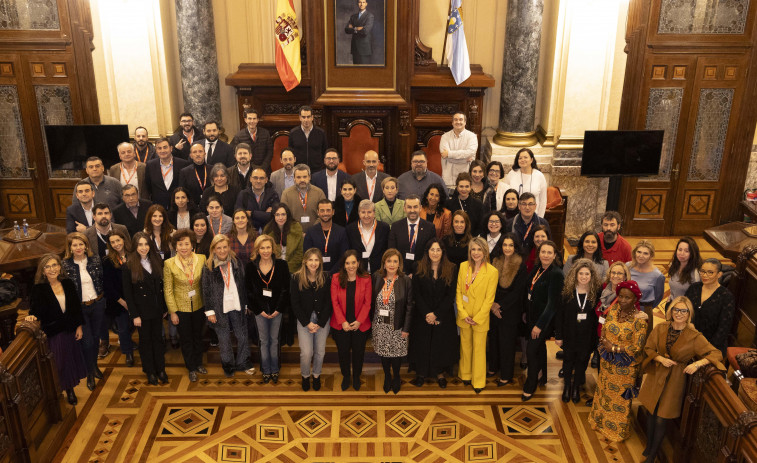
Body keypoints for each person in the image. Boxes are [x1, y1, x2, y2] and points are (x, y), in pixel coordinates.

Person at [638, 296, 724, 462]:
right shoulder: (661, 327)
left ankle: (653, 454)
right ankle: (649, 447)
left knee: (662, 417)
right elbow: (648, 348)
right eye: (676, 310)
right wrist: (659, 358)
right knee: (651, 411)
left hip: (675, 380)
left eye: (683, 311)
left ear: (689, 314)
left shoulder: (694, 336)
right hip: (657, 374)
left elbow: (716, 353)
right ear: (671, 311)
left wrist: (699, 363)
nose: (679, 313)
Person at [590, 280, 649, 442]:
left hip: (625, 367)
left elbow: (637, 347)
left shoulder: (639, 321)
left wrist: (614, 348)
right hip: (607, 362)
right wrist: (604, 342)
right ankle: (599, 423)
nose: (623, 300)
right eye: (621, 296)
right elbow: (605, 327)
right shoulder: (614, 309)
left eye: (627, 298)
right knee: (603, 392)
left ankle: (616, 431)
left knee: (619, 399)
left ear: (635, 300)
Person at [27, 254, 87, 405]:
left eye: (54, 265)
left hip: (70, 329)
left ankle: (70, 390)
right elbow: (35, 310)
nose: (52, 269)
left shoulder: (67, 283)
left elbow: (75, 307)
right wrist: (31, 316)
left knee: (70, 360)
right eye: (47, 266)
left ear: (60, 267)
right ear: (42, 271)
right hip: (54, 333)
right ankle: (59, 390)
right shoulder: (38, 289)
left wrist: (79, 326)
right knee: (58, 363)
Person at [202, 234, 255, 377]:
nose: (222, 250)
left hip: (237, 304)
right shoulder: (208, 266)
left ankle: (243, 361)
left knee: (242, 335)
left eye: (225, 247)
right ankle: (228, 365)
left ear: (229, 247)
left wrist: (245, 305)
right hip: (219, 307)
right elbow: (206, 290)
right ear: (213, 249)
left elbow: (243, 285)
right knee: (224, 339)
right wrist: (210, 311)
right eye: (218, 248)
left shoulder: (236, 262)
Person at [409, 239, 459, 388]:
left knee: (440, 343)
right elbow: (416, 294)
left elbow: (451, 295)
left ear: (443, 252)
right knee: (422, 343)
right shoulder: (418, 266)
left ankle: (440, 373)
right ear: (427, 251)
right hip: (422, 314)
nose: (435, 253)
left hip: (443, 314)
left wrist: (436, 314)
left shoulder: (452, 268)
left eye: (438, 250)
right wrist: (427, 313)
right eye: (432, 250)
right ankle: (421, 373)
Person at [122, 232, 168, 385]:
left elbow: (161, 287)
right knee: (145, 342)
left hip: (157, 309)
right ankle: (149, 371)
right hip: (141, 312)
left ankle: (161, 368)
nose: (143, 248)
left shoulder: (156, 261)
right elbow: (128, 294)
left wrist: (164, 308)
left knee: (158, 340)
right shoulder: (128, 265)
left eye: (146, 244)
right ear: (135, 246)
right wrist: (134, 315)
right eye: (140, 244)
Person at [60, 232, 104, 391]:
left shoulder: (95, 260)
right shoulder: (65, 265)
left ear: (86, 245)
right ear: (70, 248)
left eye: (81, 244)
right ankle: (90, 373)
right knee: (87, 342)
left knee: (96, 338)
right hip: (80, 308)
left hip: (98, 303)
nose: (78, 248)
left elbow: (101, 279)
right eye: (75, 245)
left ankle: (95, 366)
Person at [521, 240, 564, 401]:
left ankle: (530, 384)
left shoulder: (556, 274)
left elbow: (552, 304)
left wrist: (539, 325)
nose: (545, 255)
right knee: (538, 348)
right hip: (532, 316)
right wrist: (526, 312)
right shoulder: (537, 269)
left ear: (554, 255)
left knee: (531, 351)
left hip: (544, 321)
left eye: (549, 252)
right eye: (543, 252)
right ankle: (542, 375)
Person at [246, 235, 291, 384]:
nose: (265, 251)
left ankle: (275, 369)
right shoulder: (251, 267)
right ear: (257, 250)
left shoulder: (282, 265)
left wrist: (279, 309)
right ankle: (265, 370)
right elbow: (249, 292)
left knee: (274, 341)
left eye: (268, 247)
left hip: (277, 310)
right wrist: (259, 310)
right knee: (264, 341)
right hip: (260, 311)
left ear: (273, 249)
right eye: (262, 248)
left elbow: (286, 290)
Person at [555, 258, 601, 403]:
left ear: (591, 276)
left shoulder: (596, 294)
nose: (583, 277)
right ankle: (567, 387)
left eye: (587, 274)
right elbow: (559, 316)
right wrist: (558, 335)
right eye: (581, 273)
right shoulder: (567, 292)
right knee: (568, 361)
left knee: (582, 361)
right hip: (569, 334)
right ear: (575, 274)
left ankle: (576, 388)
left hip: (587, 336)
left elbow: (597, 319)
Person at [456, 237, 498, 393]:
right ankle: (465, 374)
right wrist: (463, 313)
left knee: (479, 349)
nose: (476, 253)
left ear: (485, 251)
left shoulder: (492, 272)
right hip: (464, 315)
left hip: (480, 318)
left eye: (479, 249)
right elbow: (459, 292)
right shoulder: (462, 267)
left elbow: (489, 299)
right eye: (473, 249)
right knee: (465, 347)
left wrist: (478, 318)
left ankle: (478, 381)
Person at [164, 229, 207, 381]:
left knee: (198, 336)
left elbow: (206, 284)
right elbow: (168, 290)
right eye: (180, 244)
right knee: (186, 339)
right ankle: (191, 367)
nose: (183, 247)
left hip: (199, 305)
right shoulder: (169, 264)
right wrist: (173, 312)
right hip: (181, 308)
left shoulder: (201, 259)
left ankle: (199, 363)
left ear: (192, 245)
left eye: (186, 244)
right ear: (175, 247)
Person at [488, 233, 528, 385]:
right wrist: (493, 304)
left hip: (510, 309)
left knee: (507, 343)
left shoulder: (521, 265)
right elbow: (489, 284)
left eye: (511, 245)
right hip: (493, 307)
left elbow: (518, 291)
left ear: (515, 247)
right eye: (505, 245)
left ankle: (506, 375)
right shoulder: (494, 260)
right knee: (494, 340)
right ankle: (493, 368)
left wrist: (500, 305)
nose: (507, 248)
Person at [371, 249, 413, 394]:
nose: (392, 264)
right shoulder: (376, 277)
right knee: (384, 353)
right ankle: (387, 376)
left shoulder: (405, 280)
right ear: (384, 263)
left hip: (398, 325)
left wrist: (406, 328)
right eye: (389, 261)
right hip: (380, 324)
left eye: (395, 261)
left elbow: (409, 306)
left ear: (399, 264)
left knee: (396, 354)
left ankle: (396, 376)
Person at [290, 248, 332, 391]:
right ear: (305, 261)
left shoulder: (326, 277)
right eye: (310, 260)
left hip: (322, 321)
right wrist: (307, 323)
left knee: (320, 351)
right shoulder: (296, 278)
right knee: (306, 353)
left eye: (316, 260)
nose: (313, 263)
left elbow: (329, 302)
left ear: (320, 262)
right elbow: (295, 303)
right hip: (304, 320)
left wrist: (320, 323)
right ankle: (305, 376)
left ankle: (316, 375)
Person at [330, 250, 372, 391]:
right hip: (341, 324)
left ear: (358, 263)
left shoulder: (366, 278)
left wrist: (359, 321)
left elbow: (368, 303)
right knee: (343, 352)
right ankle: (346, 376)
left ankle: (356, 377)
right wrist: (343, 322)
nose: (351, 266)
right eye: (347, 263)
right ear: (344, 265)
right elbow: (334, 302)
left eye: (353, 262)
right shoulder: (336, 278)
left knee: (359, 353)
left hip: (360, 324)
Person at [685, 258, 735, 358]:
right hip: (688, 338)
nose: (704, 275)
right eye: (702, 271)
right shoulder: (694, 288)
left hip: (712, 345)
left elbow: (724, 328)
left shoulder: (726, 296)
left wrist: (706, 347)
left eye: (710, 272)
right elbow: (684, 310)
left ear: (719, 274)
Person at [102, 230, 135, 367]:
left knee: (133, 325)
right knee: (122, 328)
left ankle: (133, 344)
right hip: (118, 301)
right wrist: (122, 302)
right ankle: (128, 353)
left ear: (124, 240)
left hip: (135, 298)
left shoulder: (134, 256)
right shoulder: (108, 261)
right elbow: (108, 285)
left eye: (118, 241)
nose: (116, 244)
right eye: (112, 242)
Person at [388, 194, 436, 275]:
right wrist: (401, 271)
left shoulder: (429, 227)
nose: (412, 210)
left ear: (420, 208)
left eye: (415, 207)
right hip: (400, 272)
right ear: (404, 208)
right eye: (409, 207)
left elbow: (430, 252)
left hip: (422, 272)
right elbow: (392, 251)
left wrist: (418, 271)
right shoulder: (396, 226)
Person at [628, 240, 665, 337]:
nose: (641, 256)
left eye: (645, 253)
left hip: (644, 309)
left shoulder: (657, 275)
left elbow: (658, 297)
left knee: (643, 339)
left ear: (651, 256)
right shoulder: (628, 267)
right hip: (626, 307)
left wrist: (647, 308)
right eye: (639, 252)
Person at [304, 199, 349, 274]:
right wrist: (318, 272)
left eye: (328, 210)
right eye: (322, 210)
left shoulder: (342, 232)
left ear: (333, 212)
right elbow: (307, 255)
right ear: (318, 212)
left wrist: (331, 273)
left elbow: (343, 256)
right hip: (315, 274)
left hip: (337, 274)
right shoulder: (310, 232)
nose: (325, 213)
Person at [144, 138, 190, 210]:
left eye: (165, 147)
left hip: (178, 206)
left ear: (171, 148)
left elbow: (186, 186)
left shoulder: (183, 164)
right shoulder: (150, 165)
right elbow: (148, 186)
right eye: (159, 148)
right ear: (156, 151)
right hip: (158, 207)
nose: (162, 151)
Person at [346, 199, 390, 273]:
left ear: (374, 213)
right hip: (358, 272)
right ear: (359, 213)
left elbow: (387, 249)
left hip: (379, 272)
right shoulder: (350, 229)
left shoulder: (384, 228)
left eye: (369, 212)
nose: (366, 215)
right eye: (363, 212)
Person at [280, 164, 327, 233]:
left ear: (309, 177)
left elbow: (324, 214)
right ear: (294, 178)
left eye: (305, 177)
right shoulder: (286, 194)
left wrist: (312, 231)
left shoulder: (319, 192)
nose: (302, 180)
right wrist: (297, 231)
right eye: (298, 177)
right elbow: (284, 216)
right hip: (293, 233)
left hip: (316, 233)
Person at [503, 148, 548, 217]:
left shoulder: (539, 176)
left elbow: (543, 200)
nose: (522, 160)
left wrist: (540, 218)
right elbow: (506, 195)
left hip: (533, 216)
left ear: (531, 160)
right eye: (520, 158)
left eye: (525, 157)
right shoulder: (512, 174)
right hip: (514, 215)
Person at [235, 166, 279, 233]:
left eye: (261, 178)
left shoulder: (273, 194)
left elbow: (275, 216)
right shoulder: (243, 194)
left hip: (269, 232)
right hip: (249, 232)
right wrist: (264, 214)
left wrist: (252, 214)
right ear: (250, 179)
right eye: (255, 178)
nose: (258, 181)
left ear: (266, 180)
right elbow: (238, 215)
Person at [506, 192, 550, 259]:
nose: (527, 207)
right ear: (519, 206)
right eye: (524, 204)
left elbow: (549, 246)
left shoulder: (543, 223)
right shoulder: (510, 223)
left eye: (530, 204)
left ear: (535, 206)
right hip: (515, 260)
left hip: (537, 261)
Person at [440, 112, 478, 188]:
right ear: (452, 122)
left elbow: (470, 152)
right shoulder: (445, 137)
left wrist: (449, 154)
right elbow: (444, 155)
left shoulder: (472, 136)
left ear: (465, 122)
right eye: (455, 120)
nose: (458, 122)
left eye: (461, 120)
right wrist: (464, 160)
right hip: (448, 178)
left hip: (465, 177)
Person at [264, 204, 304, 274]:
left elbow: (299, 253)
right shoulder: (268, 230)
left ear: (287, 215)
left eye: (283, 214)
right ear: (273, 216)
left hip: (293, 270)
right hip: (274, 270)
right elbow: (266, 254)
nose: (280, 218)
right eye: (277, 215)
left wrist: (286, 269)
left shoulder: (296, 228)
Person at [288, 106, 328, 171]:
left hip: (317, 170)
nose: (306, 120)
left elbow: (324, 151)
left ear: (312, 117)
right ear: (300, 118)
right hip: (299, 170)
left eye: (308, 117)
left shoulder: (321, 132)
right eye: (303, 117)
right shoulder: (293, 133)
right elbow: (291, 153)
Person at [667, 237, 702, 302]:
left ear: (692, 253)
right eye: (680, 250)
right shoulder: (673, 265)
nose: (682, 253)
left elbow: (697, 296)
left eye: (686, 251)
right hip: (672, 303)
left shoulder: (696, 272)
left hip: (685, 309)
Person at [178, 142, 212, 207]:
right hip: (192, 207)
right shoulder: (184, 172)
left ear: (205, 153)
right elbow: (182, 192)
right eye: (194, 152)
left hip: (211, 207)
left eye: (200, 151)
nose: (198, 154)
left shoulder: (213, 169)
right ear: (191, 155)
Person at [344, 0, 375, 64]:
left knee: (364, 71)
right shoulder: (353, 17)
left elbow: (365, 31)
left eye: (363, 2)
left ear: (366, 4)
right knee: (355, 71)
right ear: (357, 4)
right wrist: (357, 28)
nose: (361, 4)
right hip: (355, 48)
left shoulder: (369, 16)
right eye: (360, 2)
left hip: (364, 49)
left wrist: (353, 28)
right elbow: (347, 30)